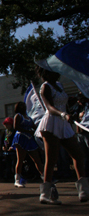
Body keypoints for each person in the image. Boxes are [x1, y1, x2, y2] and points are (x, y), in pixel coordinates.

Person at [34, 66, 88, 204]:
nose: (58, 73)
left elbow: (63, 103)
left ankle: (83, 190)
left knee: (77, 154)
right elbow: (50, 108)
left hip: (64, 123)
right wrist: (63, 114)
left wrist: (71, 110)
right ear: (48, 73)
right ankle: (45, 193)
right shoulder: (45, 87)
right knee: (51, 159)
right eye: (54, 71)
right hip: (52, 123)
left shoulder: (59, 85)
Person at [11, 102, 44, 188]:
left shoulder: (29, 118)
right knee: (20, 159)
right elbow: (16, 127)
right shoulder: (18, 116)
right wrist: (27, 131)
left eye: (24, 105)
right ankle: (17, 180)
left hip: (29, 139)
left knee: (37, 159)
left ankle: (45, 177)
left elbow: (34, 127)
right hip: (21, 138)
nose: (23, 107)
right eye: (21, 106)